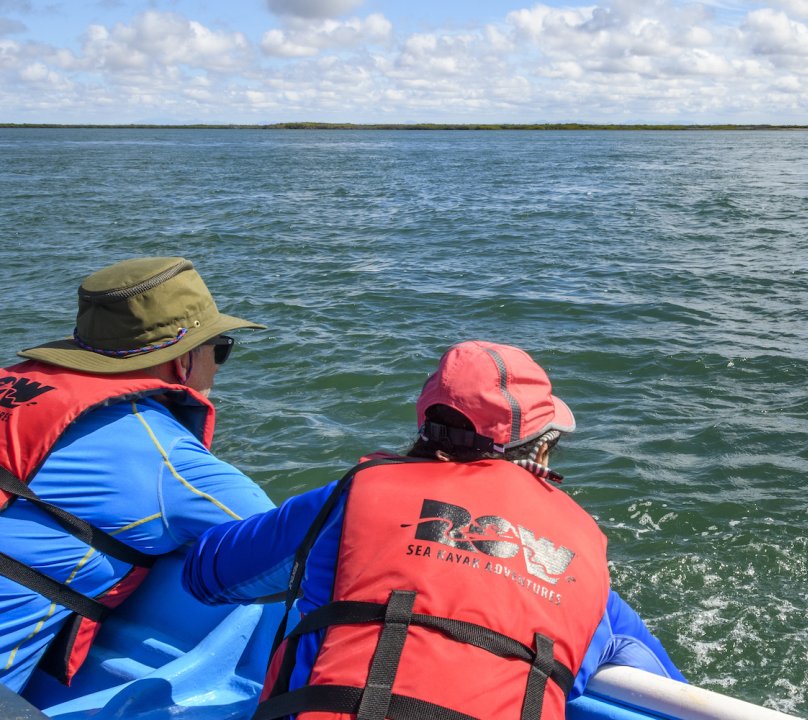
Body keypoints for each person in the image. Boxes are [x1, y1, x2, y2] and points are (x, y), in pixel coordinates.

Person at [183, 340, 685, 720]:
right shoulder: (583, 551)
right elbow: (645, 666)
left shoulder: (353, 499)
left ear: (426, 424)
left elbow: (207, 575)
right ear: (540, 449)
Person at [0, 256, 275, 693]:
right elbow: (287, 545)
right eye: (220, 347)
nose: (219, 365)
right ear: (183, 361)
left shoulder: (11, 389)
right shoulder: (166, 459)